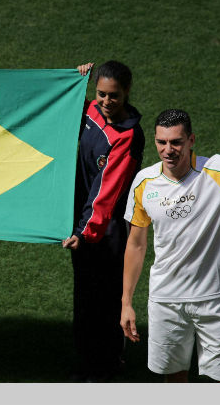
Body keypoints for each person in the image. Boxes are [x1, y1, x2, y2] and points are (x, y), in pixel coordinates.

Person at [120, 108, 220, 382]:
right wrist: (126, 302)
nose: (168, 150)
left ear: (191, 140)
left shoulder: (218, 171)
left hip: (215, 300)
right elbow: (136, 245)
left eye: (176, 142)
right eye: (162, 142)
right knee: (174, 380)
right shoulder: (144, 182)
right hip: (165, 300)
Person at [62, 60, 145, 382]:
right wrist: (73, 79)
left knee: (106, 300)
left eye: (114, 96)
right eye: (101, 94)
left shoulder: (127, 135)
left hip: (107, 229)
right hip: (83, 224)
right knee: (84, 297)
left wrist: (85, 232)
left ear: (126, 93)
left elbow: (106, 193)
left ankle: (109, 366)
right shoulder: (92, 112)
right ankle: (86, 365)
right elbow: (63, 103)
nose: (107, 103)